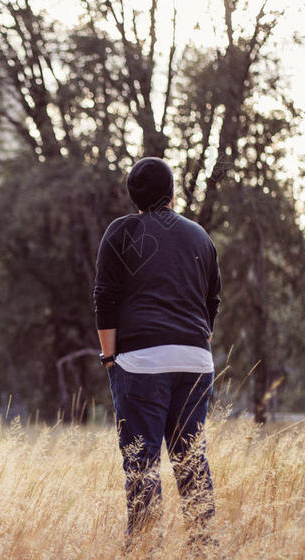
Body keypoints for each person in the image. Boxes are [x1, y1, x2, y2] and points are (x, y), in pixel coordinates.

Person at [92, 157, 221, 550]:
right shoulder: (200, 236)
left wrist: (110, 359)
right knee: (190, 459)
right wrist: (195, 342)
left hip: (141, 363)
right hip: (196, 360)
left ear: (133, 196)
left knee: (142, 462)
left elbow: (105, 298)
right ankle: (204, 547)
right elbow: (212, 300)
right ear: (173, 192)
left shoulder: (121, 231)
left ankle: (145, 548)